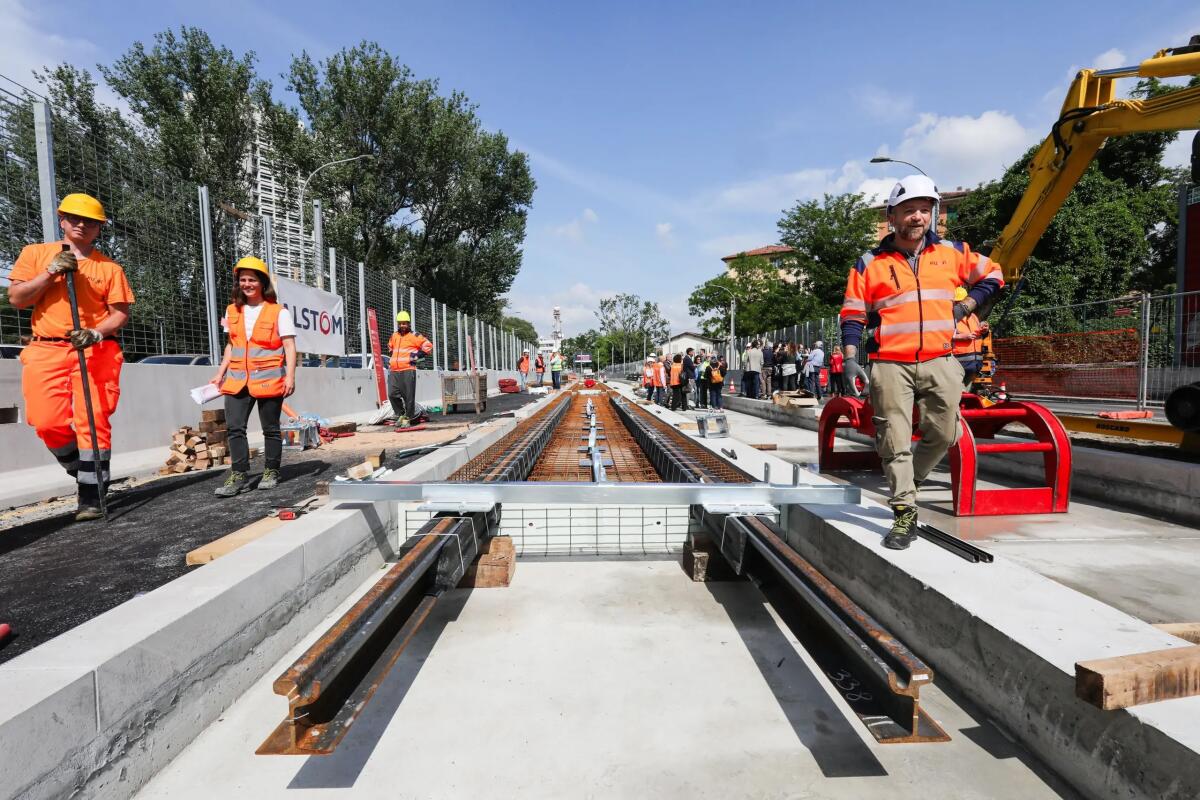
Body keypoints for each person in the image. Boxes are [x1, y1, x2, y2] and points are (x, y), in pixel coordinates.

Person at [840, 174, 1003, 549]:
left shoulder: (952, 252)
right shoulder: (870, 264)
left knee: (946, 433)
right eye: (909, 210)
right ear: (892, 217)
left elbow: (993, 274)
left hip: (942, 359)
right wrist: (851, 359)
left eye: (924, 210)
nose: (917, 217)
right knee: (893, 439)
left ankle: (907, 484)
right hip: (890, 365)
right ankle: (904, 513)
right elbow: (852, 314)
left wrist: (967, 304)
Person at [8, 193, 133, 520]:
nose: (81, 225)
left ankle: (91, 497)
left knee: (92, 419)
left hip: (95, 349)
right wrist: (50, 273)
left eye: (90, 221)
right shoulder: (35, 254)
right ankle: (85, 472)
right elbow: (17, 298)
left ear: (99, 228)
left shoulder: (109, 268)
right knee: (46, 421)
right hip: (45, 348)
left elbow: (119, 314)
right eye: (74, 218)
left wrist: (95, 333)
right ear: (62, 219)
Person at [210, 257, 297, 496]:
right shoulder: (232, 310)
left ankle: (271, 470)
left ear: (262, 283)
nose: (246, 284)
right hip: (237, 379)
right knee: (235, 428)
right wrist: (220, 373)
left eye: (252, 280)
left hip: (269, 379)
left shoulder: (278, 312)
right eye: (242, 280)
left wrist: (290, 377)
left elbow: (289, 346)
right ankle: (238, 474)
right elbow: (231, 345)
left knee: (270, 428)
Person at [386, 310, 433, 428]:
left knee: (408, 396)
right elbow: (390, 346)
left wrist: (415, 356)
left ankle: (408, 418)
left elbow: (428, 346)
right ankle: (401, 414)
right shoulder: (394, 335)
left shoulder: (414, 335)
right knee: (392, 394)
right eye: (401, 323)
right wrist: (392, 356)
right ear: (398, 324)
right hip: (394, 370)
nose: (403, 326)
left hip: (408, 369)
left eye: (405, 323)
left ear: (408, 323)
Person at [951, 287, 987, 388]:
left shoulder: (973, 317)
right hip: (958, 363)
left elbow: (979, 335)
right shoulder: (950, 317)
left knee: (967, 394)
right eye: (958, 302)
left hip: (974, 364)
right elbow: (941, 336)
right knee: (957, 393)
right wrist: (960, 337)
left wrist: (984, 330)